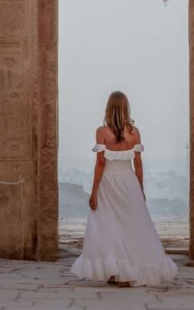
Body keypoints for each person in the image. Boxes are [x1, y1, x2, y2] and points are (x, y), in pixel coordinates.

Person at [70, 91, 177, 287]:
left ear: (108, 108)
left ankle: (116, 272)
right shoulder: (134, 132)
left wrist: (94, 192)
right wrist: (140, 188)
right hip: (129, 183)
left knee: (107, 226)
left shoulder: (102, 132)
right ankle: (121, 272)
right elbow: (139, 164)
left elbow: (100, 164)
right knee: (132, 226)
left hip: (109, 184)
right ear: (126, 108)